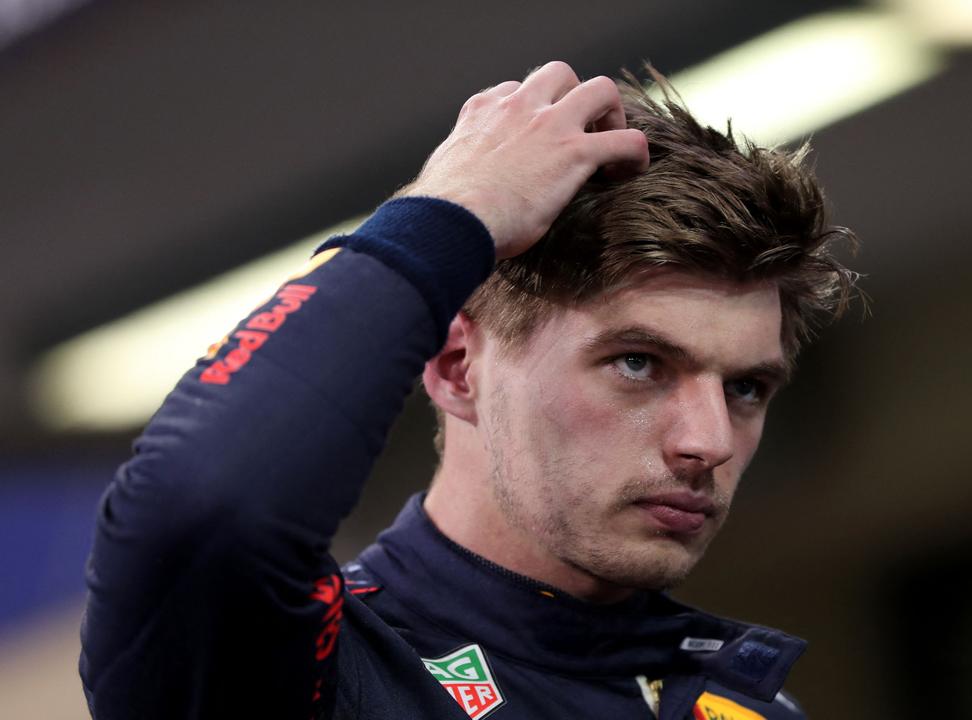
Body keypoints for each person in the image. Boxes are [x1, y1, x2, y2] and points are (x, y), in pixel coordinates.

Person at [79, 61, 855, 719]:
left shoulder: (745, 704)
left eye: (747, 386)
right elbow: (202, 506)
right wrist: (443, 219)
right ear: (456, 369)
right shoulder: (311, 671)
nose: (709, 441)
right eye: (639, 363)